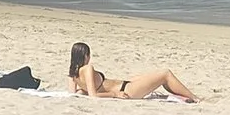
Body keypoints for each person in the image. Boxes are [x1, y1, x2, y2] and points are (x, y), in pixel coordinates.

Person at [67, 43, 198, 101]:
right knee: (165, 74)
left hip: (124, 85)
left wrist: (83, 90)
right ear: (85, 56)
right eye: (88, 55)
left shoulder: (73, 73)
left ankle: (183, 96)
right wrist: (114, 94)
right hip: (126, 90)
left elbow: (74, 93)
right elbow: (93, 95)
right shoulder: (88, 68)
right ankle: (195, 98)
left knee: (149, 76)